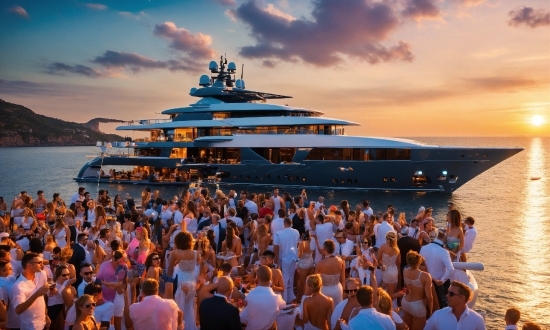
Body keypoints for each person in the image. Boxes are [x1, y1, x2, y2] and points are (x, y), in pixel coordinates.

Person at [168, 231, 200, 330]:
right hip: (192, 282)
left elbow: (170, 267)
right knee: (190, 308)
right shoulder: (196, 253)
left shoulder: (175, 253)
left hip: (180, 281)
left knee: (179, 308)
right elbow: (197, 266)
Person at [11, 253, 51, 330]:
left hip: (43, 323)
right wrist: (36, 294)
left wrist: (46, 315)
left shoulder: (41, 274)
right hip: (30, 326)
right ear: (29, 265)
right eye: (39, 263)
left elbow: (41, 298)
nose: (42, 265)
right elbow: (18, 310)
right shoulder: (19, 286)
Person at [240, 266, 286, 330]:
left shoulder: (251, 295)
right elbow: (283, 305)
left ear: (257, 278)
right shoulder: (276, 298)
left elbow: (242, 317)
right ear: (271, 279)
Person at [420, 229, 454, 309]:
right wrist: (442, 280)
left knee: (426, 305)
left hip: (424, 281)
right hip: (439, 284)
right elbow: (451, 269)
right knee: (441, 305)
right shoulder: (444, 252)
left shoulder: (423, 248)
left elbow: (420, 265)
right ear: (444, 237)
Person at [401, 251, 432, 330]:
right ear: (419, 262)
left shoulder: (405, 271)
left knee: (407, 328)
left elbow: (406, 287)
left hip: (405, 302)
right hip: (417, 305)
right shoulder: (425, 276)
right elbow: (429, 297)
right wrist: (431, 311)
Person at [274, 217, 300, 303]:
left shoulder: (279, 234)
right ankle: (290, 296)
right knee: (291, 277)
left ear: (284, 224)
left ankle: (285, 298)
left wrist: (276, 260)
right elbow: (297, 244)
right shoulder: (296, 232)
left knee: (285, 277)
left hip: (284, 258)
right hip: (293, 257)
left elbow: (276, 248)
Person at [315, 240, 345, 307]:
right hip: (337, 289)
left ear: (325, 249)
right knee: (337, 311)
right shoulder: (341, 261)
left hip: (324, 291)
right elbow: (343, 279)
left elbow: (315, 281)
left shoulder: (320, 264)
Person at [377, 231, 400, 300]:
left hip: (386, 270)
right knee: (385, 289)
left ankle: (389, 307)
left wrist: (381, 266)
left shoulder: (383, 247)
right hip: (394, 271)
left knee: (389, 294)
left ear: (386, 238)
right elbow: (398, 263)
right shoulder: (397, 249)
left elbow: (378, 259)